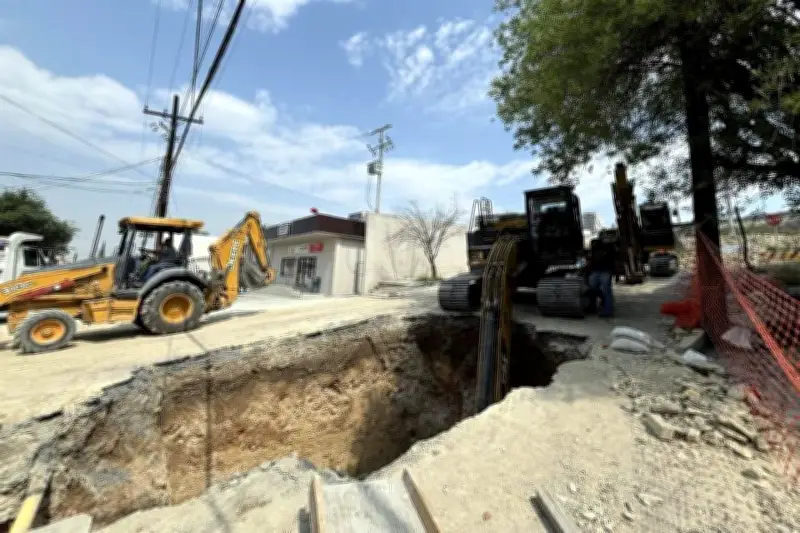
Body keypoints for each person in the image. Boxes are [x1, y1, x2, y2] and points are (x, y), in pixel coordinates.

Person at [585, 236, 616, 317]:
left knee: (600, 290)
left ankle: (605, 309)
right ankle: (603, 308)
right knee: (600, 290)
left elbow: (590, 262)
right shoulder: (603, 250)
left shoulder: (600, 251)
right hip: (601, 272)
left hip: (602, 272)